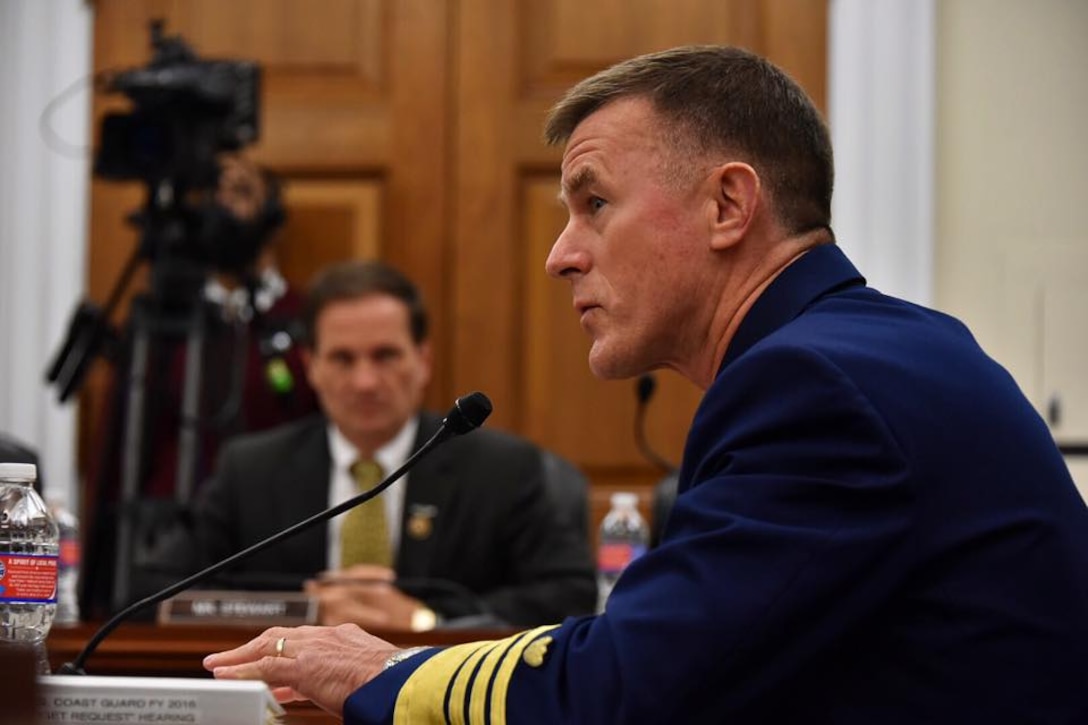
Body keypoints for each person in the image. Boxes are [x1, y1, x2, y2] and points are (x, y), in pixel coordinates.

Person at [204, 46, 1088, 723]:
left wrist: (381, 675)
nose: (561, 254)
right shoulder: (874, 348)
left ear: (728, 207)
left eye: (594, 202)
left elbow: (622, 692)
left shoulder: (813, 385)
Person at [139, 259, 597, 630]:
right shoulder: (251, 469)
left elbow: (571, 595)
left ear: (423, 361)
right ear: (311, 366)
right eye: (342, 359)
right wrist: (302, 613)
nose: (365, 381)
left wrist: (425, 619)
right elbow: (153, 592)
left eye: (385, 355)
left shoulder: (502, 469)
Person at [81, 155, 320, 617]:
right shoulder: (164, 324)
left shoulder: (304, 316)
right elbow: (120, 446)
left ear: (272, 214)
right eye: (214, 195)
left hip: (274, 537)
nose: (225, 208)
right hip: (169, 542)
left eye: (242, 192)